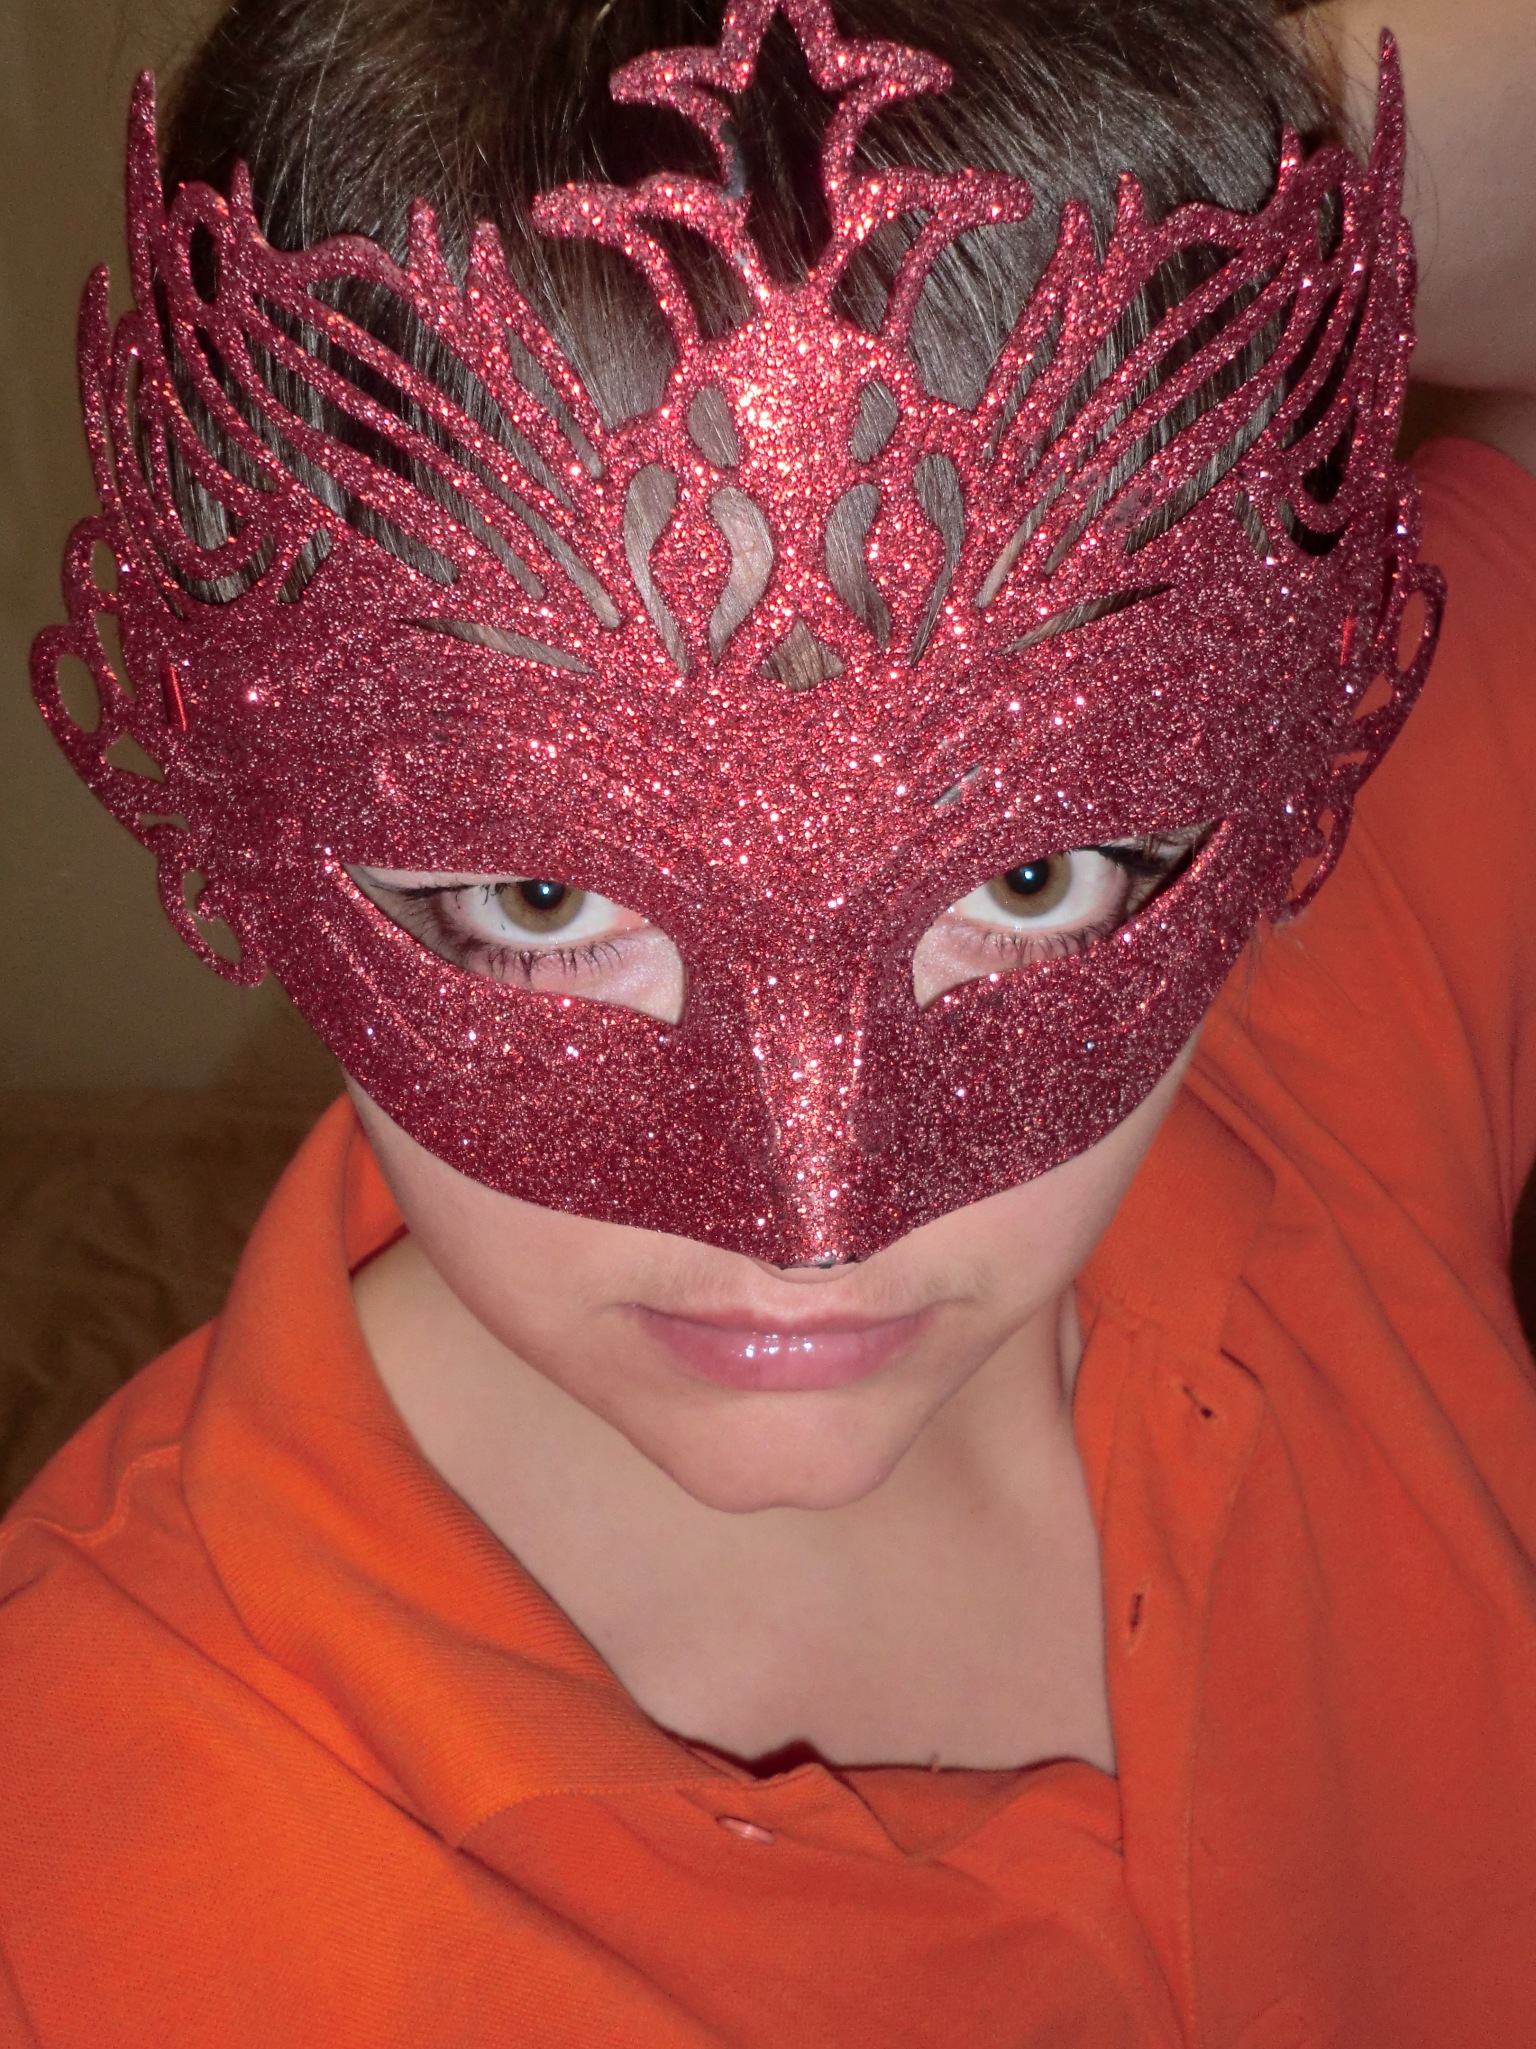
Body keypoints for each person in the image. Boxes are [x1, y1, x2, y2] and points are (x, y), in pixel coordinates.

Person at [3, 0, 1535, 2041]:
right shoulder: (78, 1881)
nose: (814, 1212)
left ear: (1290, 756)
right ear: (222, 776)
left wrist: (1264, 135)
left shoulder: (1323, 1011)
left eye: (1027, 877)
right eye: (546, 898)